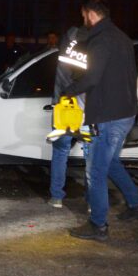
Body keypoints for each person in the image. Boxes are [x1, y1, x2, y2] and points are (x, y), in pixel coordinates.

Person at [62, 0, 138, 241]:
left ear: (90, 14)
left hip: (109, 116)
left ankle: (98, 226)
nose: (83, 21)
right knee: (110, 163)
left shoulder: (101, 40)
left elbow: (92, 78)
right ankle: (137, 206)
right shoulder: (121, 37)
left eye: (83, 16)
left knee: (96, 171)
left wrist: (68, 91)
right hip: (124, 113)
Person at [48, 25, 88, 208]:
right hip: (87, 106)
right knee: (92, 154)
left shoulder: (66, 42)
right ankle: (92, 200)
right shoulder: (97, 42)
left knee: (60, 151)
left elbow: (61, 73)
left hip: (64, 105)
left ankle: (57, 197)